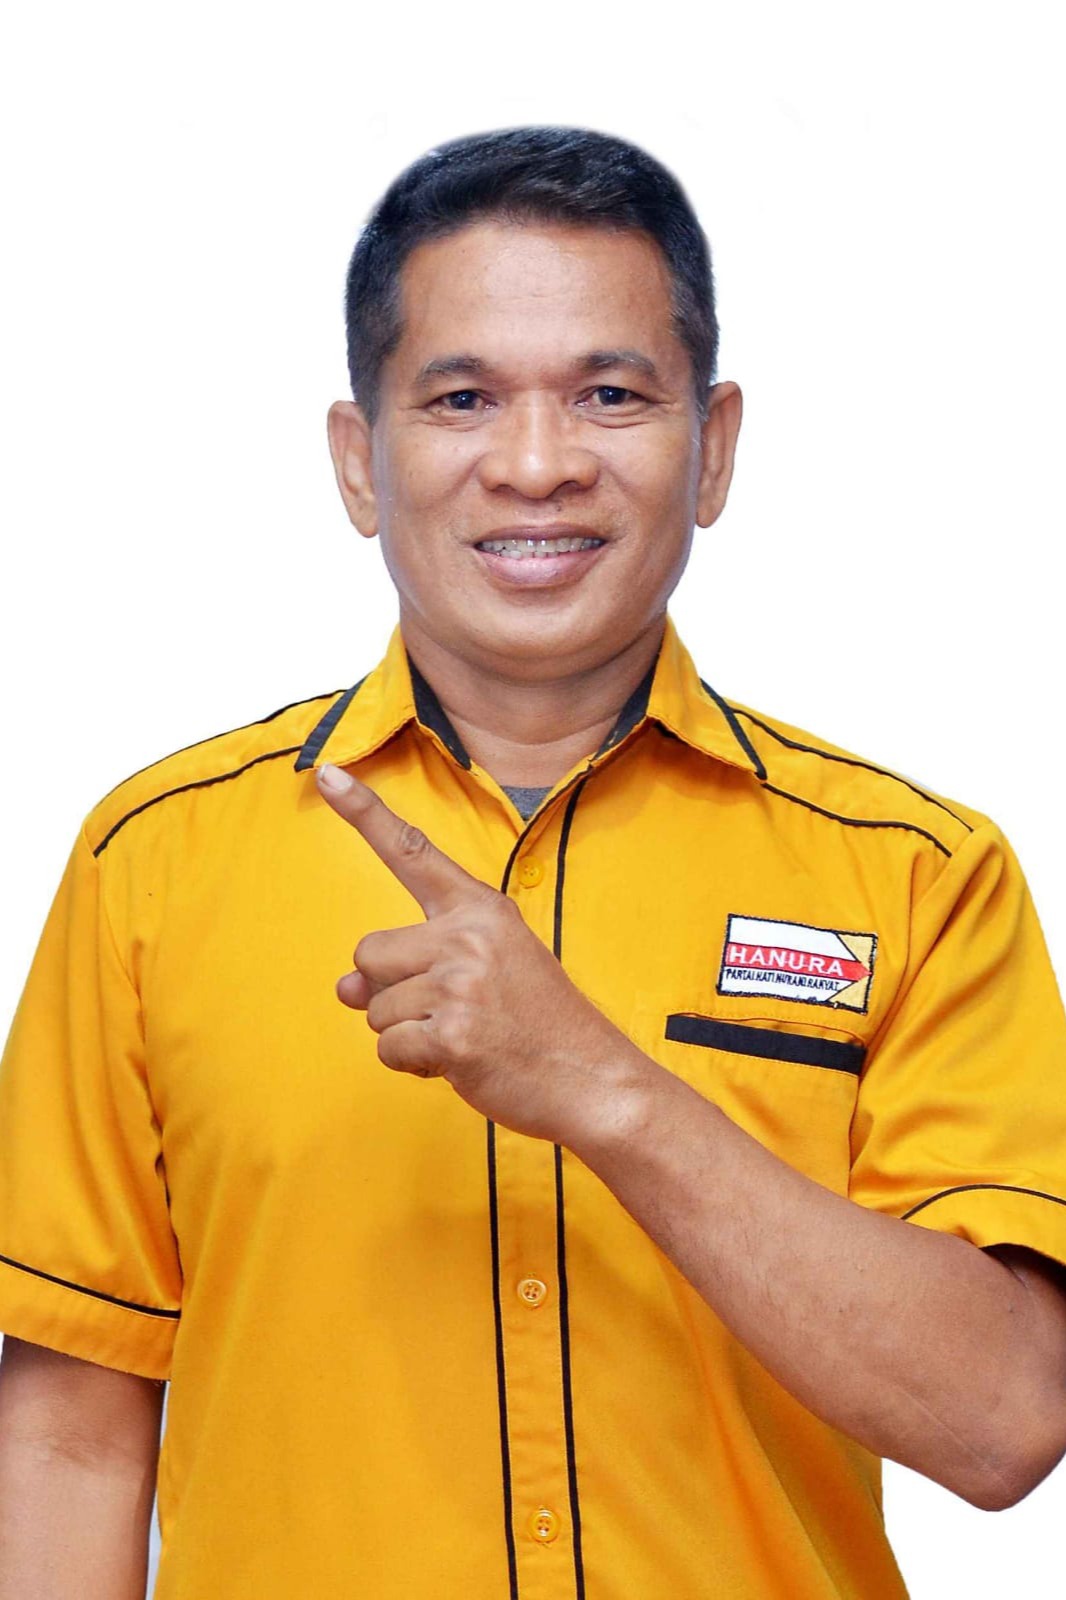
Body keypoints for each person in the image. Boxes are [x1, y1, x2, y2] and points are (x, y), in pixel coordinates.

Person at [1, 125, 1064, 1600]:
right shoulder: (154, 863)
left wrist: (604, 1091)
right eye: (462, 399)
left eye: (610, 395)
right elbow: (69, 1439)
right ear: (359, 461)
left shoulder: (918, 877)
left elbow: (1003, 1421)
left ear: (714, 446)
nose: (538, 464)